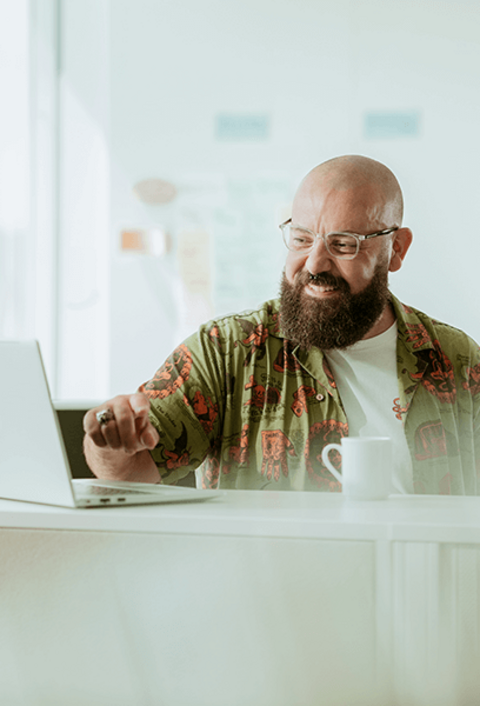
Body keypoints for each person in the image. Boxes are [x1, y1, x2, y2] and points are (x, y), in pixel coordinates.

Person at [83, 155, 480, 495]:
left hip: (419, 583)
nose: (314, 264)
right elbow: (132, 470)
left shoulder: (458, 362)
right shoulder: (227, 352)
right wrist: (111, 441)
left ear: (397, 249)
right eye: (302, 239)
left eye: (343, 245)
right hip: (271, 586)